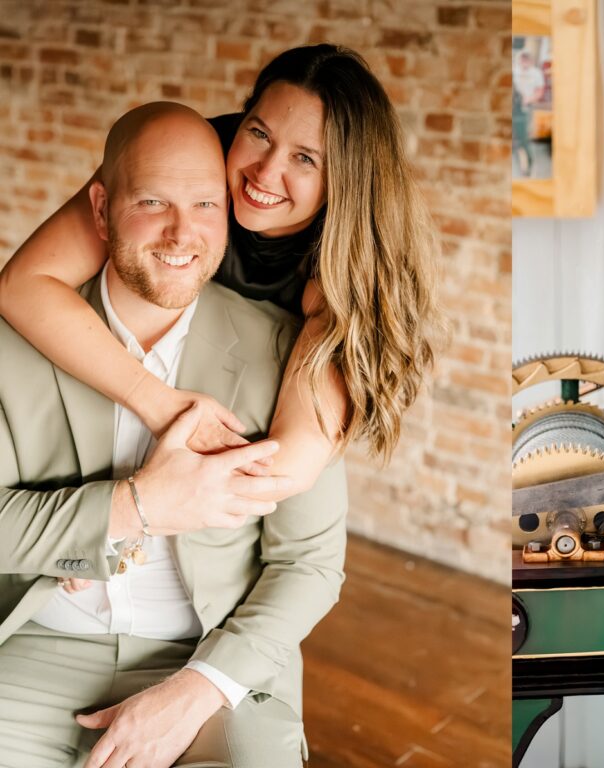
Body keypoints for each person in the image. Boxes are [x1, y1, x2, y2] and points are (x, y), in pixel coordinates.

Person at [0, 102, 347, 767]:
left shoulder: (290, 353)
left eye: (205, 205)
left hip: (211, 668)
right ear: (101, 209)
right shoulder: (15, 339)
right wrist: (134, 507)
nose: (182, 232)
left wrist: (200, 687)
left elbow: (309, 562)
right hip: (35, 646)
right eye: (153, 201)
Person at [0, 45, 442, 518]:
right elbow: (22, 284)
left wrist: (153, 504)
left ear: (345, 180)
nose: (266, 172)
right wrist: (159, 408)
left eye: (305, 158)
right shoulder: (183, 160)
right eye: (259, 133)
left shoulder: (341, 267)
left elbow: (289, 464)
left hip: (243, 396)